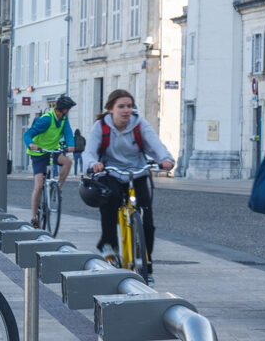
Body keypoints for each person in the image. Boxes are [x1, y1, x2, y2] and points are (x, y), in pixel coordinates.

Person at [81, 90, 175, 283]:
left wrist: (164, 159)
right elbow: (89, 151)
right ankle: (108, 244)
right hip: (111, 171)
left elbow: (154, 144)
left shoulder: (139, 124)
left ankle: (146, 268)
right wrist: (93, 164)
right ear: (110, 109)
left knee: (147, 220)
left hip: (138, 172)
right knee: (111, 200)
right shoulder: (101, 127)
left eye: (129, 106)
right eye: (121, 107)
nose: (126, 110)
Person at [24, 95, 77, 228]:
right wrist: (30, 144)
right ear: (62, 109)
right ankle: (34, 217)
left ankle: (58, 186)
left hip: (53, 151)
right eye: (67, 109)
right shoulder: (47, 119)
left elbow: (68, 133)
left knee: (68, 162)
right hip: (39, 153)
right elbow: (28, 134)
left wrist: (71, 144)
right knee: (39, 184)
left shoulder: (63, 119)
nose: (68, 112)